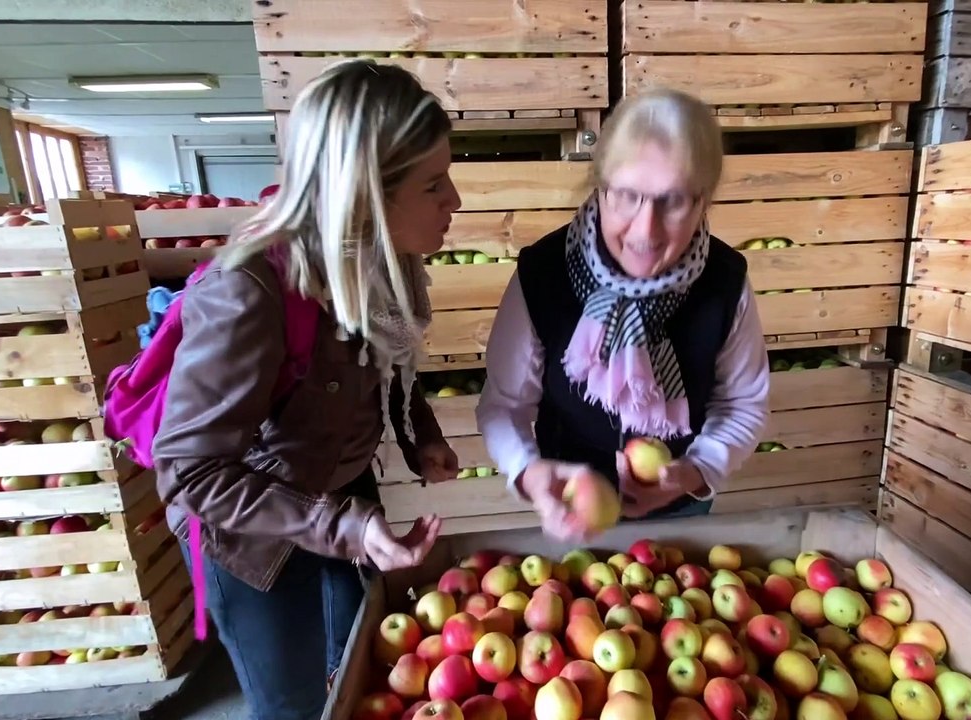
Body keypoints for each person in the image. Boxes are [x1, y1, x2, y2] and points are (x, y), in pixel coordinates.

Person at [151, 60, 461, 720]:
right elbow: (188, 475)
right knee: (291, 705)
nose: (454, 201)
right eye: (434, 183)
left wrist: (419, 436)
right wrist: (338, 520)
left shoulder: (386, 266)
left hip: (339, 495)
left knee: (363, 670)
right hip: (249, 537)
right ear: (367, 193)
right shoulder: (246, 293)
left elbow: (380, 369)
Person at [476, 88, 771, 541]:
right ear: (600, 185)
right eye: (627, 195)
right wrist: (527, 472)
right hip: (574, 513)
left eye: (671, 201)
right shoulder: (544, 274)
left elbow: (742, 404)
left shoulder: (724, 283)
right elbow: (505, 404)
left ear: (702, 200)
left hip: (681, 513)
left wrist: (694, 472)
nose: (645, 229)